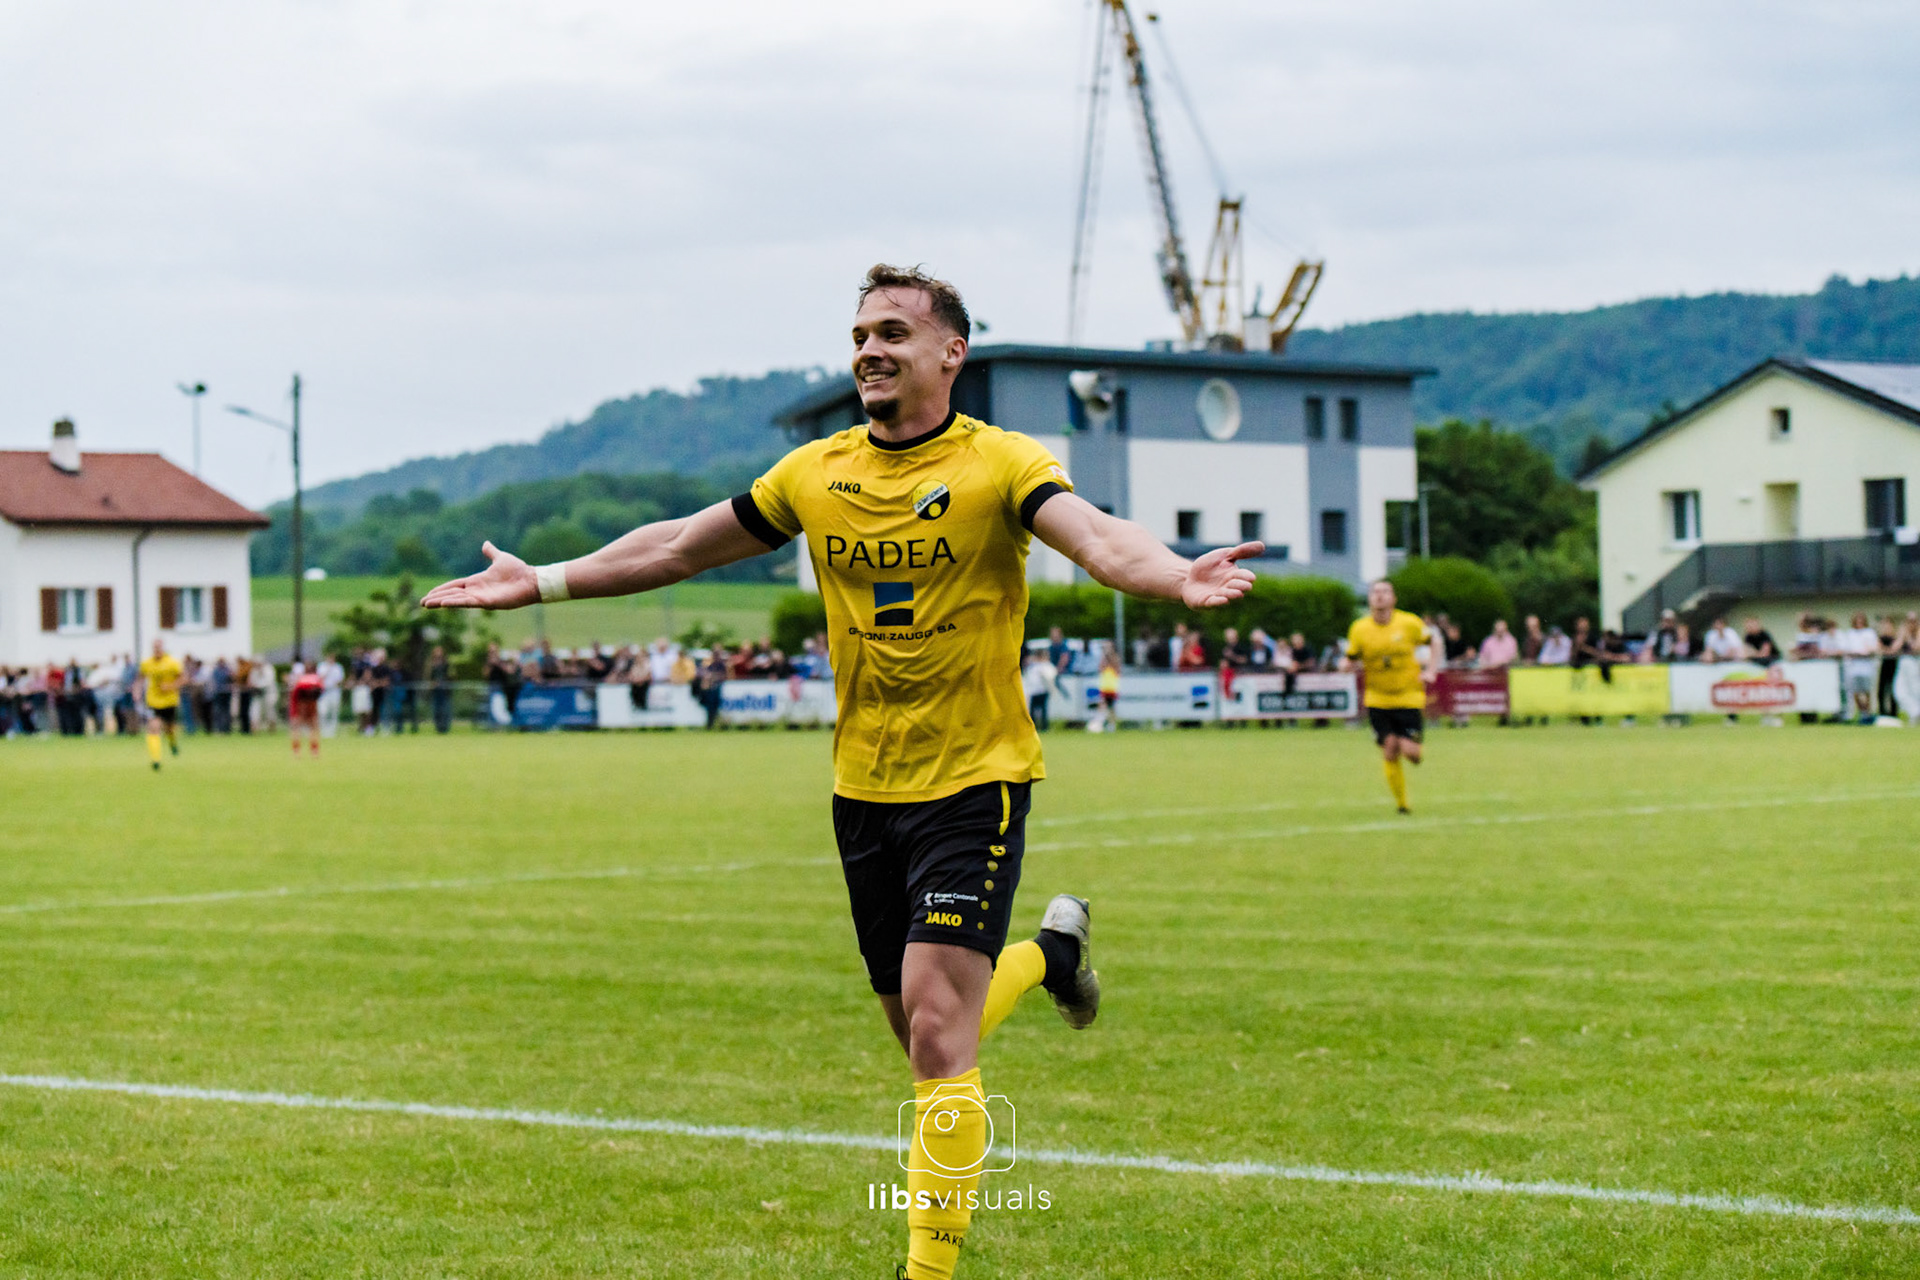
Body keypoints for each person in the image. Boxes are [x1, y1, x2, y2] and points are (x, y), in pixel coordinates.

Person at [422, 263, 1259, 1280]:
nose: (870, 348)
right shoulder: (815, 472)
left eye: (894, 333)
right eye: (861, 332)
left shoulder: (1002, 462)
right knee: (923, 1030)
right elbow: (681, 545)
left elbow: (1095, 538)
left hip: (975, 778)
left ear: (952, 353)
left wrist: (1173, 573)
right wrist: (544, 580)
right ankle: (1048, 955)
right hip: (864, 788)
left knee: (942, 1029)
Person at [1343, 581, 1437, 814]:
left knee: (1411, 754)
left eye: (1385, 592)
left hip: (1408, 697)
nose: (1380, 596)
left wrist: (1431, 669)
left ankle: (1413, 753)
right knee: (1389, 749)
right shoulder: (1359, 628)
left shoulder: (1409, 623)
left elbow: (1435, 641)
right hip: (1377, 698)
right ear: (1369, 599)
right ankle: (1402, 804)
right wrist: (1345, 665)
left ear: (1393, 598)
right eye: (1376, 592)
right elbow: (1352, 657)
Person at [137, 639, 184, 770]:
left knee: (169, 729)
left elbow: (183, 679)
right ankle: (156, 760)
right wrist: (136, 691)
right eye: (155, 647)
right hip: (153, 702)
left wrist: (170, 686)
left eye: (159, 647)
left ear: (163, 648)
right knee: (154, 727)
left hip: (170, 701)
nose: (157, 650)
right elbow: (140, 678)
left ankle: (172, 743)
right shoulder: (147, 664)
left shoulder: (172, 663)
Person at [288, 661, 324, 756]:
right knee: (312, 727)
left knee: (297, 727)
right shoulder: (316, 679)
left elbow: (295, 693)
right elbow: (320, 691)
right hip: (309, 703)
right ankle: (314, 751)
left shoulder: (300, 679)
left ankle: (296, 751)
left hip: (300, 703)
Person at [1021, 648, 1056, 732]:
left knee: (1043, 709)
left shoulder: (1047, 666)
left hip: (1043, 690)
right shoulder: (1033, 666)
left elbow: (1051, 675)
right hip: (1033, 691)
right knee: (1032, 710)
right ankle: (1033, 727)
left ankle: (1044, 727)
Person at [428, 645, 454, 733]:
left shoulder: (446, 663)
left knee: (445, 709)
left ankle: (445, 727)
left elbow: (450, 675)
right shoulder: (432, 664)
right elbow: (430, 677)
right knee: (437, 709)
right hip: (436, 690)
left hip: (445, 690)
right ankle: (438, 727)